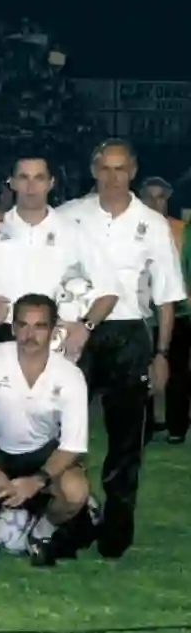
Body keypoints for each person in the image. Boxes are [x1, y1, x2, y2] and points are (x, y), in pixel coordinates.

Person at [57, 140, 186, 558]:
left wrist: (162, 354)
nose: (112, 178)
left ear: (132, 171)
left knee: (127, 439)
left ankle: (116, 529)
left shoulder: (152, 223)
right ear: (93, 170)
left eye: (120, 169)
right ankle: (73, 519)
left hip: (130, 334)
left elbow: (166, 297)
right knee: (65, 432)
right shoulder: (70, 215)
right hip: (79, 332)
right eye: (104, 169)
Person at [0, 293, 91, 570]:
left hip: (41, 452)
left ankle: (41, 535)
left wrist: (37, 481)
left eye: (40, 327)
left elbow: (72, 445)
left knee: (76, 491)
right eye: (23, 325)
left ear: (54, 331)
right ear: (13, 327)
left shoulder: (70, 375)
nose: (30, 334)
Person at [0, 153, 119, 350]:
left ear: (51, 183)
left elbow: (110, 291)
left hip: (58, 340)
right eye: (24, 178)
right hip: (5, 337)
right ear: (12, 182)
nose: (31, 187)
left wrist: (85, 328)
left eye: (39, 178)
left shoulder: (73, 231)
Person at [138, 176, 190, 444]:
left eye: (161, 197)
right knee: (142, 371)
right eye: (150, 196)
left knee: (177, 371)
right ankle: (149, 424)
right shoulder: (133, 228)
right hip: (144, 314)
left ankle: (176, 425)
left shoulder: (182, 230)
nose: (155, 202)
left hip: (179, 311)